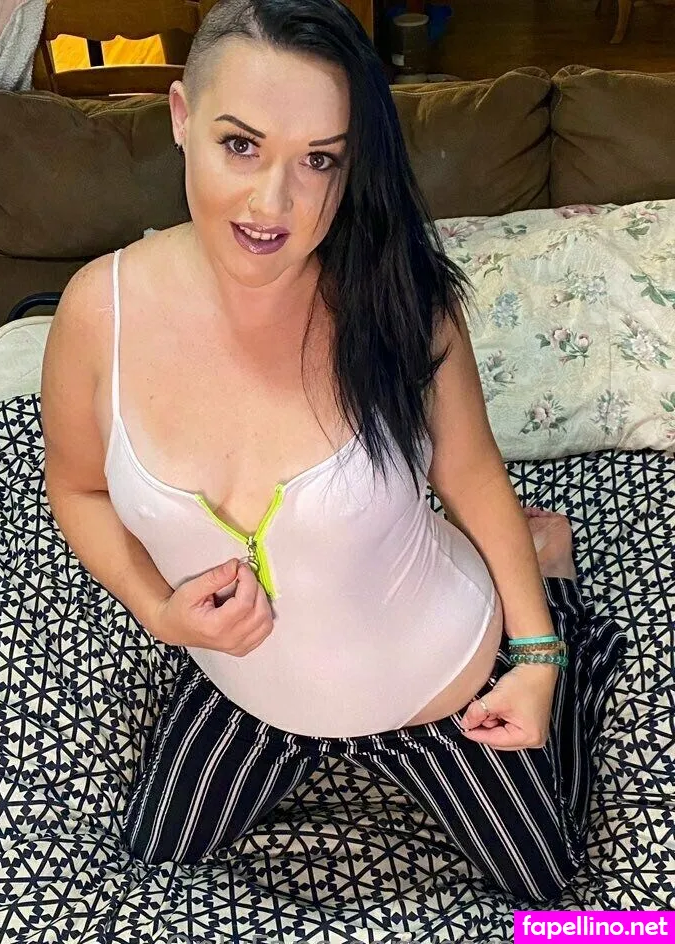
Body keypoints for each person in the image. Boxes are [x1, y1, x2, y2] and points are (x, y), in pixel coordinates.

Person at [40, 0, 626, 903]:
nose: (273, 204)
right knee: (150, 868)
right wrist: (160, 614)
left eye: (320, 160)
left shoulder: (401, 302)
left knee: (563, 906)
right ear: (181, 118)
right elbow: (77, 488)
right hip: (246, 693)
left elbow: (471, 475)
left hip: (444, 685)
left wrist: (539, 657)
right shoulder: (96, 311)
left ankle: (554, 581)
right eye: (241, 145)